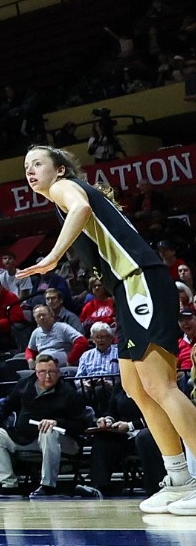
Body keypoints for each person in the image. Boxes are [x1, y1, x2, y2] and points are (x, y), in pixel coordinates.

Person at [19, 146, 196, 514]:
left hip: (140, 281)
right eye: (26, 167)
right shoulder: (63, 196)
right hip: (127, 289)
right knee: (135, 387)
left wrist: (51, 257)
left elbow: (81, 208)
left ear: (61, 169)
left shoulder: (65, 189)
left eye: (38, 163)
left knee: (158, 385)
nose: (30, 171)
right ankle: (179, 478)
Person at [0, 353, 92, 498]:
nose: (47, 376)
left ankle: (48, 485)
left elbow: (81, 424)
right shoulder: (24, 385)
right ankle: (9, 484)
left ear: (59, 372)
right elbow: (6, 406)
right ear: (36, 372)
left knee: (48, 431)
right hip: (25, 438)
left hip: (63, 441)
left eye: (52, 372)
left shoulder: (68, 393)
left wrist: (57, 422)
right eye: (42, 372)